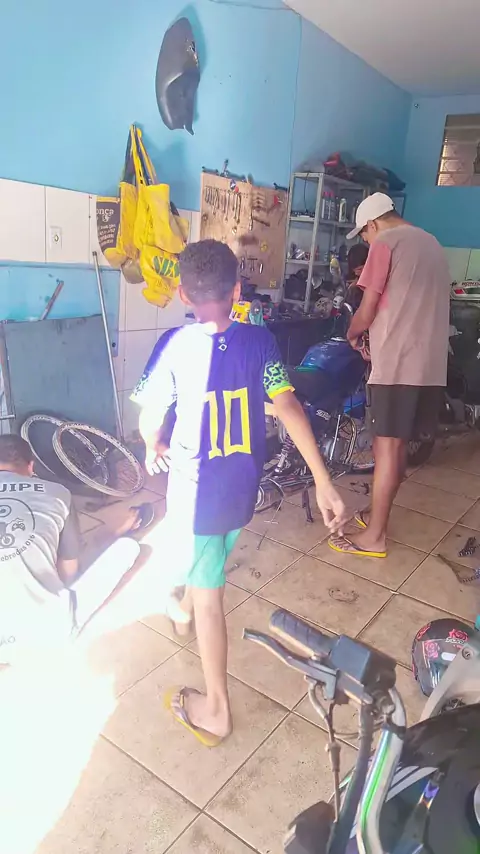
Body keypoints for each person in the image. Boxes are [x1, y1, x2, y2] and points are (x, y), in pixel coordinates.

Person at [133, 239, 347, 746]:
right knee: (209, 561)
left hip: (198, 495)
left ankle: (216, 710)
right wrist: (322, 479)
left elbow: (149, 414)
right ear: (236, 291)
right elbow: (287, 405)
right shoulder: (259, 341)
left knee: (212, 597)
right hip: (242, 487)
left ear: (183, 294)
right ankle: (183, 607)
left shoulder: (174, 344)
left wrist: (151, 443)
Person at [329, 193, 450, 559]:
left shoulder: (387, 243)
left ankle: (375, 536)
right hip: (429, 367)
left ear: (373, 223)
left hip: (398, 365)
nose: (367, 242)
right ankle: (375, 515)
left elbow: (367, 310)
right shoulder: (433, 245)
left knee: (386, 449)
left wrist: (352, 334)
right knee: (397, 448)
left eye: (364, 235)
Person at [0, 434, 152, 663]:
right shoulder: (57, 493)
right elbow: (69, 573)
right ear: (31, 466)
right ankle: (118, 530)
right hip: (44, 637)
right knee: (127, 548)